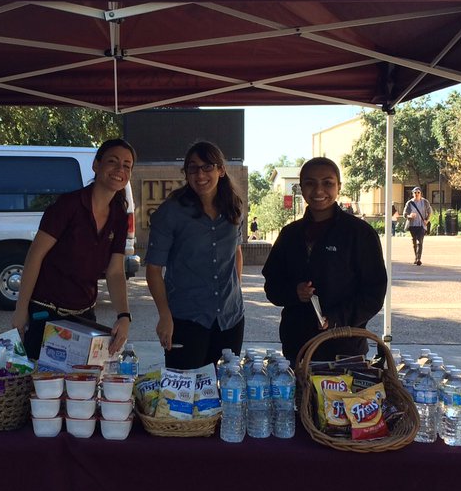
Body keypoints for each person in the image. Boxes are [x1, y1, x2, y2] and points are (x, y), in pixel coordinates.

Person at [12, 138, 135, 359]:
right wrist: (21, 310)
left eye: (127, 165)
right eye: (113, 162)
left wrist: (124, 315)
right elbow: (35, 255)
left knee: (82, 386)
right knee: (42, 387)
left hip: (84, 315)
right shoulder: (68, 205)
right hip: (45, 311)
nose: (119, 170)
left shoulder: (119, 216)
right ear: (96, 165)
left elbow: (115, 271)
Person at [262, 158, 387, 362]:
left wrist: (336, 319)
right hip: (297, 347)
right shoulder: (290, 234)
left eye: (327, 183)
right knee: (300, 394)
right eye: (310, 183)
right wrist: (294, 292)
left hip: (345, 349)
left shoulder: (359, 233)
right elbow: (272, 286)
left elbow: (374, 293)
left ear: (339, 186)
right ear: (301, 188)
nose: (319, 190)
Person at [146, 141, 245, 370]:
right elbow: (153, 270)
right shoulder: (170, 212)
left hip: (230, 319)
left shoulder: (234, 208)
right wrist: (164, 315)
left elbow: (236, 252)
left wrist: (234, 291)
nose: (200, 174)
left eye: (207, 166)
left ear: (221, 170)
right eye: (193, 168)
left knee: (224, 391)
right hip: (185, 319)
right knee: (183, 395)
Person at [402, 186, 433, 266]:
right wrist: (410, 216)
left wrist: (427, 220)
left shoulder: (425, 202)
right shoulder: (409, 203)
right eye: (415, 192)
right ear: (413, 194)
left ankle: (419, 259)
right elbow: (404, 214)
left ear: (421, 194)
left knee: (420, 241)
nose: (416, 194)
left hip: (421, 225)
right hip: (412, 225)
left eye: (418, 192)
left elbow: (430, 212)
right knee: (414, 241)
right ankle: (416, 257)